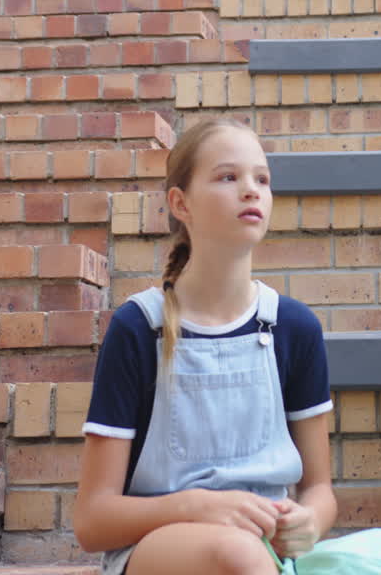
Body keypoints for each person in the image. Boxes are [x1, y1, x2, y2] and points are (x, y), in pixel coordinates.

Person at [73, 118, 336, 575]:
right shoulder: (138, 329)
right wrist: (195, 507)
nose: (251, 190)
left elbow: (320, 489)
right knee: (236, 554)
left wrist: (309, 521)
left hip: (268, 553)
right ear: (181, 203)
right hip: (156, 547)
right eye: (228, 177)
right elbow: (93, 520)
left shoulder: (295, 328)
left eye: (262, 179)